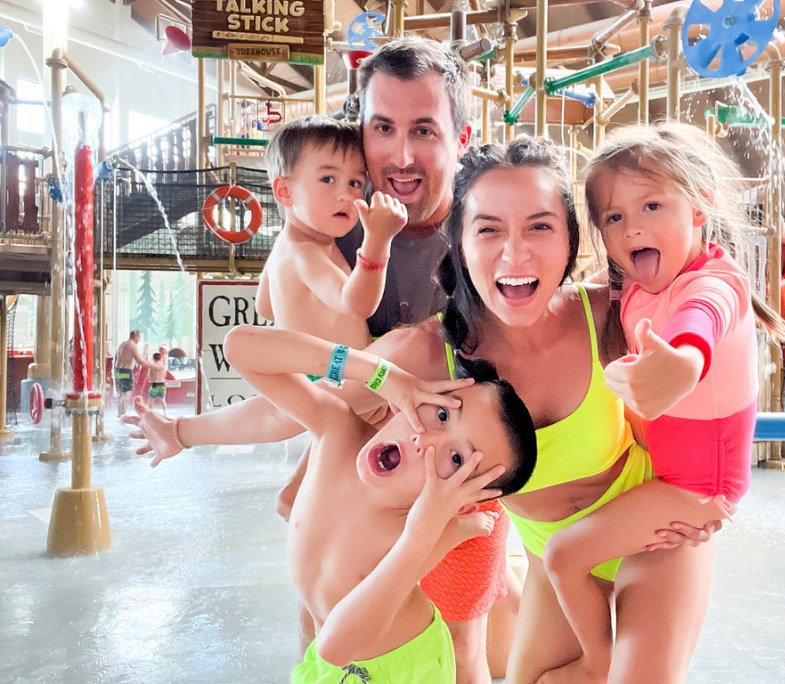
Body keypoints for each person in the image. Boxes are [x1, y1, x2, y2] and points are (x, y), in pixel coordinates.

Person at [127, 39, 516, 684]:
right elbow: (286, 364)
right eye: (382, 129)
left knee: (463, 651)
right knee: (319, 627)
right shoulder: (334, 217)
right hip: (354, 464)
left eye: (424, 130)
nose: (401, 154)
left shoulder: (484, 230)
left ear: (461, 136)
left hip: (440, 475)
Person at [318, 137, 722, 683]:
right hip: (556, 560)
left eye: (539, 226)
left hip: (654, 538)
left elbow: (716, 295)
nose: (515, 254)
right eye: (488, 229)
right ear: (458, 244)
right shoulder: (428, 354)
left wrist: (714, 480)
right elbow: (313, 399)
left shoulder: (610, 312)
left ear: (572, 242)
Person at [539, 122, 785, 681]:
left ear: (700, 206)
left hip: (696, 489)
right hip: (666, 477)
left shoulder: (712, 283)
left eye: (652, 205)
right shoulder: (635, 286)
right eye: (613, 217)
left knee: (563, 556)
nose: (632, 228)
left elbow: (697, 328)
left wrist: (679, 366)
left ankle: (597, 664)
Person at [208, 323, 536, 683]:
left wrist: (423, 532)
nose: (425, 440)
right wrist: (380, 373)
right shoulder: (336, 430)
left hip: (405, 672)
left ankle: (464, 529)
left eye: (457, 459)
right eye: (442, 414)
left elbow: (334, 647)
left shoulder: (407, 536)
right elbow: (241, 348)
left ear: (459, 501)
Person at [256, 115, 407, 347]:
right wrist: (378, 239)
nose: (344, 195)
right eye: (327, 179)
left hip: (319, 372)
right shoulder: (305, 253)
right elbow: (358, 306)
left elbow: (264, 307)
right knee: (414, 342)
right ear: (285, 191)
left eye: (354, 183)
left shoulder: (287, 246)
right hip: (336, 378)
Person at [114, 330, 154, 418]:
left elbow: (116, 358)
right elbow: (140, 360)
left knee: (120, 392)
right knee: (127, 392)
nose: (139, 339)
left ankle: (119, 413)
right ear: (136, 336)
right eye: (139, 337)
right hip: (126, 371)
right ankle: (123, 414)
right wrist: (152, 365)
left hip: (117, 371)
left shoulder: (122, 344)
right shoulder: (132, 345)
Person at [147, 351, 168, 416]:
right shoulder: (163, 367)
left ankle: (151, 414)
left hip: (155, 385)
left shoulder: (152, 367)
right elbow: (165, 376)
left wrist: (152, 380)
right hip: (162, 385)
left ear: (153, 359)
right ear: (160, 358)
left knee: (151, 400)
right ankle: (165, 414)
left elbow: (149, 377)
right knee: (163, 400)